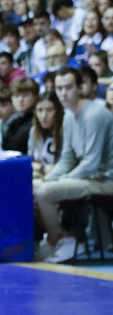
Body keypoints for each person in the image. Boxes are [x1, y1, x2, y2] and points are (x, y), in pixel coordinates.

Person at [35, 67, 113, 263]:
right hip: (88, 176)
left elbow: (91, 164)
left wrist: (58, 181)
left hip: (105, 179)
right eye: (59, 88)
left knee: (45, 193)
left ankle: (62, 239)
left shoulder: (95, 113)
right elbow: (68, 158)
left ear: (80, 88)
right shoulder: (68, 115)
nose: (63, 93)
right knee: (35, 185)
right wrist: (49, 178)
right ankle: (59, 238)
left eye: (68, 87)